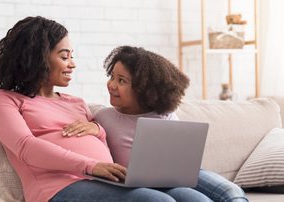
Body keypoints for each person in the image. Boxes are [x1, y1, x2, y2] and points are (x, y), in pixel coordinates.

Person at [0, 16, 210, 202]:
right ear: (36, 57)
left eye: (72, 56)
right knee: (157, 201)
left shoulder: (76, 103)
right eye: (64, 56)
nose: (72, 64)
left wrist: (97, 129)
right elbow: (26, 147)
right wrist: (91, 166)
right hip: (57, 188)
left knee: (194, 198)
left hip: (104, 179)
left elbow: (102, 140)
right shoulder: (5, 99)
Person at [86, 46, 248, 202]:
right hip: (143, 185)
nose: (112, 85)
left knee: (232, 191)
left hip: (181, 174)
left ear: (143, 89)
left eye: (121, 81)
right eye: (112, 76)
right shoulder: (104, 117)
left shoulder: (165, 114)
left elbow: (180, 157)